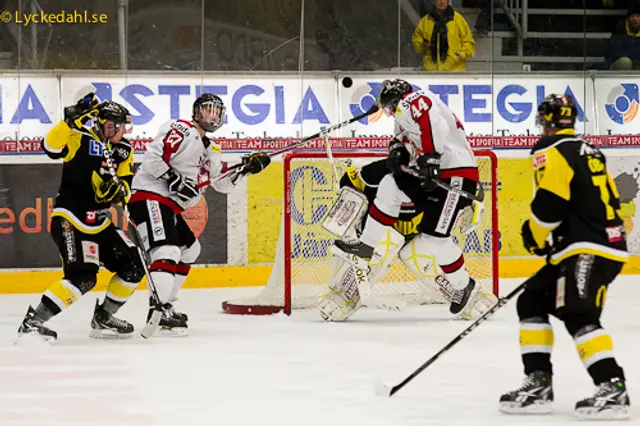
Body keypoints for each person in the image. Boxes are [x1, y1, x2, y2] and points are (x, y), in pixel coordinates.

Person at [499, 95, 630, 420]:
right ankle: (538, 383)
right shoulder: (589, 149)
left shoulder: (551, 151)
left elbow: (550, 204)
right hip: (587, 245)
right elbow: (598, 200)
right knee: (531, 302)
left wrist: (534, 235)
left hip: (589, 248)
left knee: (578, 313)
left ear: (545, 121)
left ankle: (613, 387)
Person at [333, 79, 481, 318]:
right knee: (391, 184)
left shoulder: (415, 100)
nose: (390, 113)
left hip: (456, 174)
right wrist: (397, 154)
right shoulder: (402, 117)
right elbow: (402, 143)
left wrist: (430, 159)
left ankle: (465, 286)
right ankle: (366, 246)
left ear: (395, 99)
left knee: (434, 239)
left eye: (390, 107)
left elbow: (434, 126)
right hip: (436, 174)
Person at [128, 93, 270, 336]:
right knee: (167, 251)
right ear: (196, 112)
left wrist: (245, 169)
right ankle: (159, 309)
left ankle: (165, 306)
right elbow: (151, 160)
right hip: (149, 197)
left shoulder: (213, 149)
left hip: (169, 206)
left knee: (190, 250)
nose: (213, 115)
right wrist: (175, 180)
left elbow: (221, 184)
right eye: (208, 110)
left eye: (217, 111)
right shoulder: (180, 129)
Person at [17, 96, 144, 343]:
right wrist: (68, 122)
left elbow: (127, 183)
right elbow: (50, 147)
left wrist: (120, 192)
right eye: (114, 125)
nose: (120, 130)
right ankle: (33, 323)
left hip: (100, 222)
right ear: (101, 123)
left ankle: (104, 317)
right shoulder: (79, 137)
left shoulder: (124, 149)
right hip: (71, 220)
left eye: (122, 126)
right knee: (83, 276)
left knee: (134, 264)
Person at [317, 157, 497, 321]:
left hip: (419, 231)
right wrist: (350, 208)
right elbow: (350, 180)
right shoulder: (381, 173)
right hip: (381, 229)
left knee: (422, 251)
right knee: (384, 243)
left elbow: (471, 197)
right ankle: (343, 295)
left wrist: (472, 208)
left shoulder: (446, 181)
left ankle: (471, 296)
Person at [411, 0, 475, 72]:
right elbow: (416, 38)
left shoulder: (458, 19)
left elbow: (468, 41)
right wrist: (422, 44)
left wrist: (460, 55)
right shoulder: (425, 20)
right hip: (431, 70)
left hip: (455, 70)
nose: (442, 2)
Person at [606, 2, 640, 70]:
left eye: (638, 16)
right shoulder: (618, 31)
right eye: (632, 16)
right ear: (628, 18)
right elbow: (617, 53)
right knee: (625, 62)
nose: (635, 19)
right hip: (617, 66)